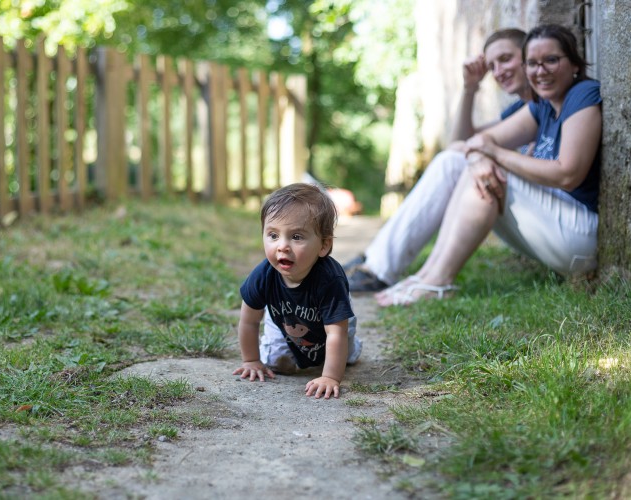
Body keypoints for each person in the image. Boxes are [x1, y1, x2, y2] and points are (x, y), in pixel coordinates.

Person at [374, 23, 601, 307]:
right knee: (466, 163)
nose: (541, 71)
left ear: (575, 64)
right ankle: (427, 275)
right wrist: (481, 155)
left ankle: (437, 280)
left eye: (552, 60)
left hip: (579, 238)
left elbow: (568, 174)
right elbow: (471, 142)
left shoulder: (583, 94)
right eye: (533, 63)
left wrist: (493, 155)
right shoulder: (541, 105)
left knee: (485, 172)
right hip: (552, 228)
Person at [346, 28, 535, 292]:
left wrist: (480, 156)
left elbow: (459, 149)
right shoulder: (518, 110)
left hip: (538, 211)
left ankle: (379, 268)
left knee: (451, 163)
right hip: (517, 203)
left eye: (505, 59)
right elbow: (459, 142)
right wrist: (470, 88)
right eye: (492, 65)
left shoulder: (541, 107)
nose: (499, 70)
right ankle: (375, 263)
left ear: (529, 55)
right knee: (451, 159)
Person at [233, 183, 362, 399]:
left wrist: (330, 376)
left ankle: (354, 347)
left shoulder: (330, 280)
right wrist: (251, 360)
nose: (282, 246)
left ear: (323, 246)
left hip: (333, 322)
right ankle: (285, 352)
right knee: (275, 361)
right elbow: (249, 321)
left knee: (343, 353)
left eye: (296, 237)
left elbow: (335, 332)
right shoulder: (263, 275)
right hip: (283, 319)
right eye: (273, 235)